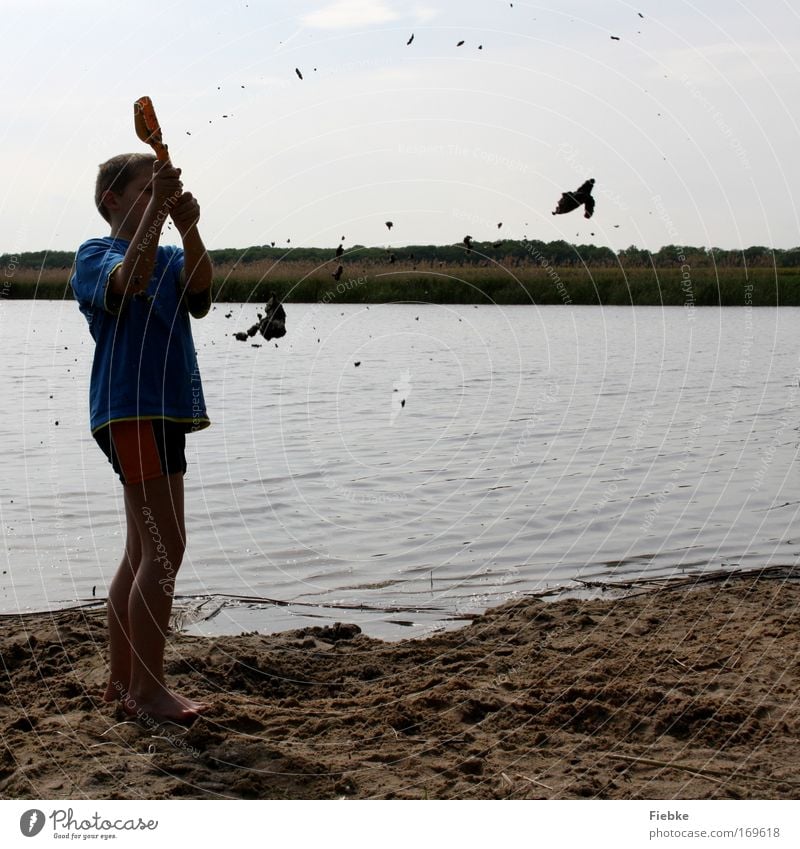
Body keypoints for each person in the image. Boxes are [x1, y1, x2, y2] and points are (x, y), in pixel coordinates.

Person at [70, 152, 213, 722]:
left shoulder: (171, 251)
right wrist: (160, 205)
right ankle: (148, 693)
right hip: (130, 411)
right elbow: (128, 280)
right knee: (166, 547)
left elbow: (200, 294)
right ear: (113, 201)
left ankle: (124, 682)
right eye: (141, 191)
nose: (152, 198)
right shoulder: (94, 255)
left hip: (165, 411)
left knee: (142, 549)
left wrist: (190, 225)